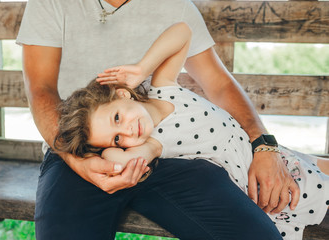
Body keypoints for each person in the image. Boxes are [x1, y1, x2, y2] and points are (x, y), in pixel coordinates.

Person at [17, 0, 296, 239]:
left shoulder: (174, 5)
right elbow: (41, 89)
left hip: (172, 149)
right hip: (79, 148)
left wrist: (263, 145)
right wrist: (78, 160)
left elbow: (218, 84)